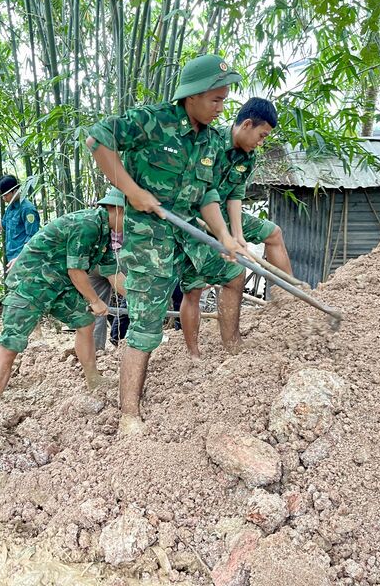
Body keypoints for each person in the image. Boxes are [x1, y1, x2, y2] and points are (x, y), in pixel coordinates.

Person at [86, 54, 245, 435]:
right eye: (216, 100)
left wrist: (224, 235)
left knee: (234, 274)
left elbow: (207, 193)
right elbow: (97, 138)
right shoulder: (153, 121)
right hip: (149, 238)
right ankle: (128, 415)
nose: (221, 109)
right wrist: (131, 189)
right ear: (191, 96)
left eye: (225, 100)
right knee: (146, 325)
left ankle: (233, 349)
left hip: (188, 232)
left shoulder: (209, 140)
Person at [0, 188, 127, 437]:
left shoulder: (106, 233)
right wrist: (96, 301)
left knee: (84, 323)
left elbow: (112, 273)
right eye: (129, 216)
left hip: (59, 284)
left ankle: (93, 379)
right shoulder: (87, 225)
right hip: (30, 282)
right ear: (115, 210)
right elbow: (77, 272)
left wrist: (140, 300)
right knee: (11, 345)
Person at [180, 97, 293, 359]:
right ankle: (194, 354)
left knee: (273, 233)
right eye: (261, 135)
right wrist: (223, 235)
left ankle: (288, 302)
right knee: (195, 288)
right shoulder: (209, 142)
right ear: (247, 124)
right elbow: (196, 195)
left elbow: (235, 195)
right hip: (192, 219)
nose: (261, 142)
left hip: (224, 214)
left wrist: (239, 236)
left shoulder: (248, 156)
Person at [87, 188, 126, 351]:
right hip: (114, 261)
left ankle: (95, 349)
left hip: (96, 262)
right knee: (134, 295)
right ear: (119, 210)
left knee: (96, 303)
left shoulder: (95, 220)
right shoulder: (90, 223)